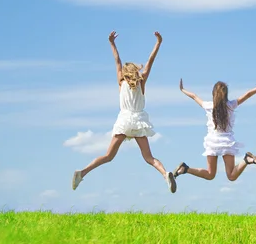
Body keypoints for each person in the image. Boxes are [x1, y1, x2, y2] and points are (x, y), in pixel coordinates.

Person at [71, 31, 177, 193]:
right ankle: (165, 174)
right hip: (139, 119)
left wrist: (112, 43)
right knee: (149, 158)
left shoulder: (121, 82)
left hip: (124, 120)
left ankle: (82, 173)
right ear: (136, 72)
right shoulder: (141, 83)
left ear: (125, 73)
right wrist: (158, 43)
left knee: (108, 156)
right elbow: (150, 62)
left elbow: (117, 60)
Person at [173, 76, 256, 183]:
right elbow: (248, 94)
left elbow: (194, 96)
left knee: (210, 175)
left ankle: (186, 169)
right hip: (226, 142)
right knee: (231, 176)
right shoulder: (230, 105)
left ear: (213, 94)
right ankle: (246, 160)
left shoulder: (208, 106)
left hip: (212, 142)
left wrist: (183, 90)